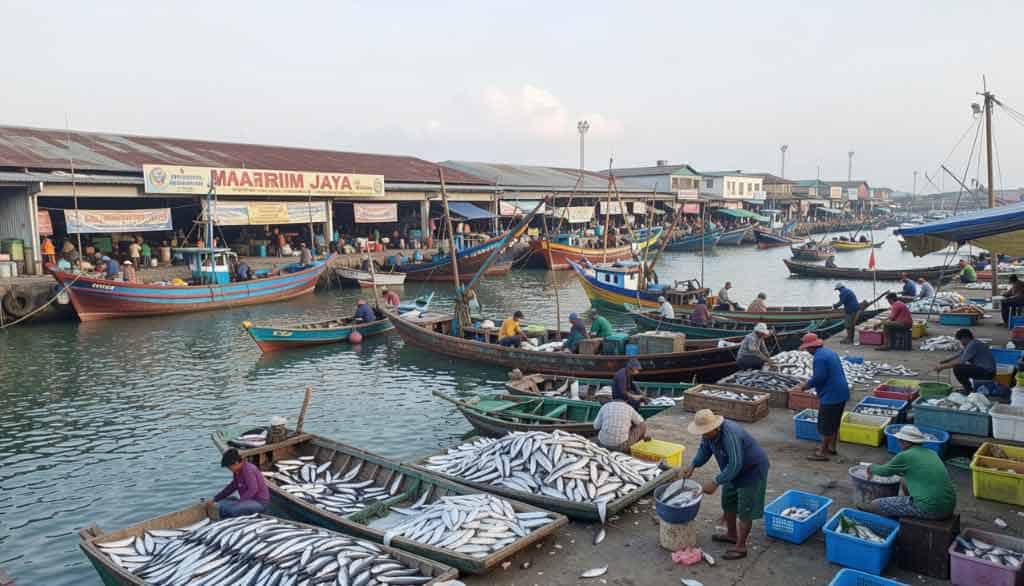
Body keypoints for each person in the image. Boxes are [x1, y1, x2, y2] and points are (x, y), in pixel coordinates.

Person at [682, 409, 769, 561]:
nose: (703, 435)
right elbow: (704, 450)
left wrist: (715, 481)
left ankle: (741, 546)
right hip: (731, 471)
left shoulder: (730, 434)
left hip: (752, 471)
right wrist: (693, 465)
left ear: (715, 427)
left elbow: (735, 464)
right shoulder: (708, 435)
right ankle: (731, 534)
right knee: (728, 502)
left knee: (745, 510)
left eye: (706, 432)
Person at [862, 426, 956, 520]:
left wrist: (871, 467)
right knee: (903, 480)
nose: (899, 443)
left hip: (931, 509)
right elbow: (914, 472)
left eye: (900, 440)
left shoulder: (905, 456)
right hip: (949, 506)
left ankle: (864, 510)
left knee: (876, 504)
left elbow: (884, 471)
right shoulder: (932, 453)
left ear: (905, 442)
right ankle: (908, 506)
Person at [791, 333, 849, 461]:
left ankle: (822, 452)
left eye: (807, 348)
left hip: (832, 394)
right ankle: (832, 448)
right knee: (834, 422)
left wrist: (803, 387)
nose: (807, 351)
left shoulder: (819, 358)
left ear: (811, 347)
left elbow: (819, 377)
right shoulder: (828, 352)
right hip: (841, 391)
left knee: (826, 425)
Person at [935, 328, 996, 393]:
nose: (960, 342)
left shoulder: (973, 345)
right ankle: (968, 388)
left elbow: (960, 361)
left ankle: (968, 390)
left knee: (958, 369)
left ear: (965, 337)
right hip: (985, 370)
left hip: (987, 372)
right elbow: (959, 354)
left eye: (960, 340)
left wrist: (942, 367)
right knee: (960, 367)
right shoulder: (971, 343)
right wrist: (943, 361)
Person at [213, 448, 269, 518]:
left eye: (229, 467)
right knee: (220, 504)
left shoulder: (248, 470)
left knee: (232, 510)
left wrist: (240, 502)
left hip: (259, 503)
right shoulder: (237, 471)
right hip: (247, 501)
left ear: (236, 463)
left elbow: (253, 489)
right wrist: (215, 498)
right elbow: (231, 487)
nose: (229, 469)